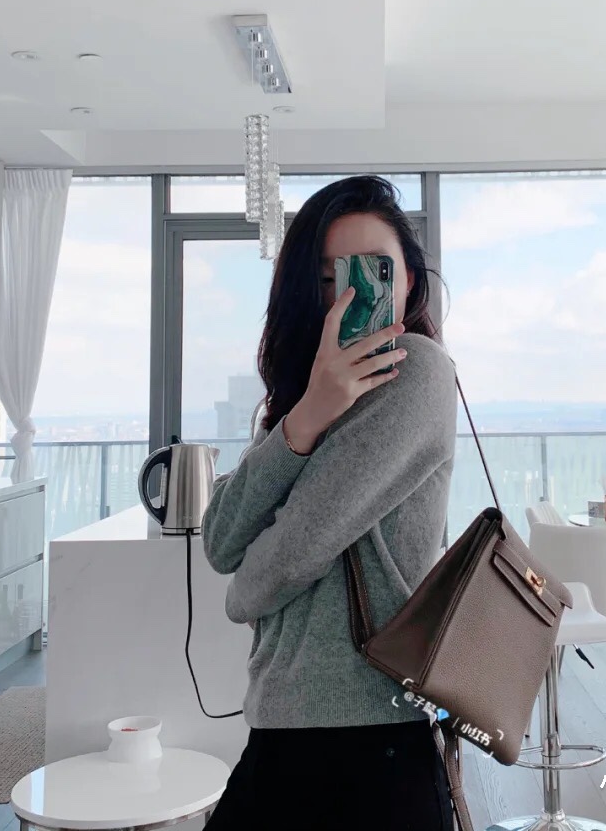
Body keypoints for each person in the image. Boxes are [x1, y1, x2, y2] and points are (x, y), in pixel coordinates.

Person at [201, 175, 459, 829]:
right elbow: (221, 539)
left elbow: (289, 555)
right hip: (284, 724)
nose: (352, 294)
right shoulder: (298, 398)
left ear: (408, 281)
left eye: (375, 270)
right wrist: (308, 413)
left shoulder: (418, 371)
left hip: (375, 737)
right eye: (329, 277)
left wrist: (239, 598)